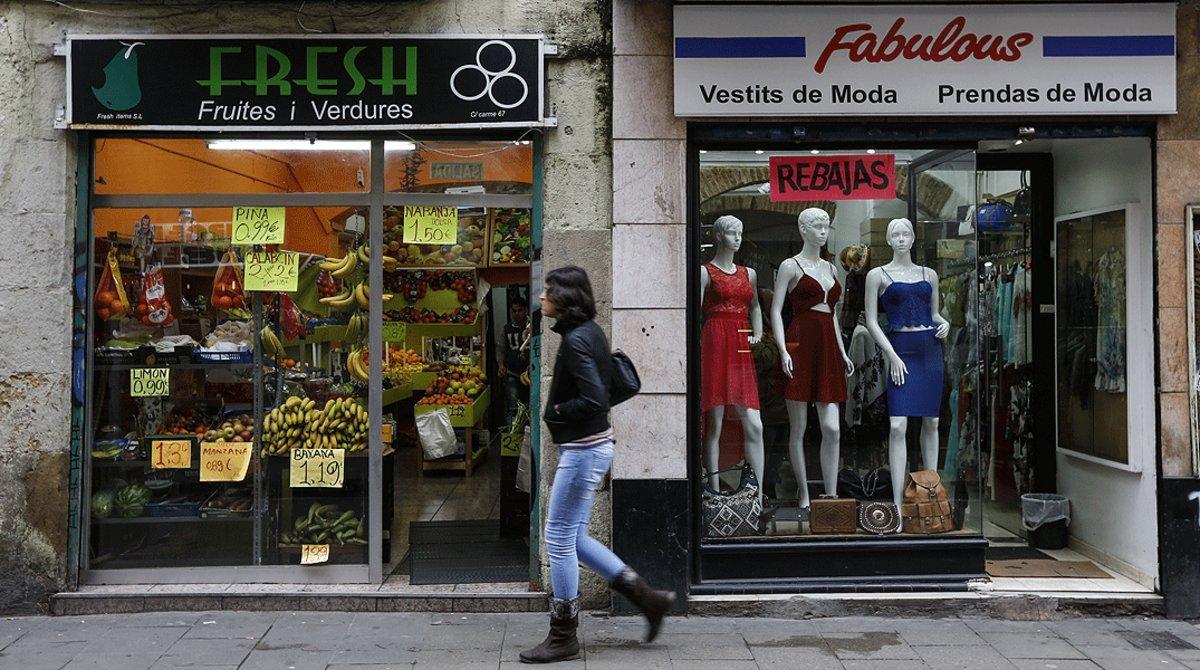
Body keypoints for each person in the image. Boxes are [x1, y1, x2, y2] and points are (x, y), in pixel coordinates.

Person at [521, 265, 675, 664]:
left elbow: (594, 399)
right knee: (574, 539)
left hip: (583, 450)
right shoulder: (588, 332)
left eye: (548, 290)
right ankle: (648, 598)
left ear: (566, 297)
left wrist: (556, 409)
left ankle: (563, 635)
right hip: (592, 448)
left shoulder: (576, 341)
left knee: (557, 539)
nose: (542, 297)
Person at [500, 295, 530, 424]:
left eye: (519, 310)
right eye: (514, 311)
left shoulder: (531, 327)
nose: (516, 314)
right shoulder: (507, 329)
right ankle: (513, 440)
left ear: (526, 310)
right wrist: (501, 365)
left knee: (530, 406)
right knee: (513, 408)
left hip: (529, 374)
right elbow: (500, 348)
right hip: (512, 373)